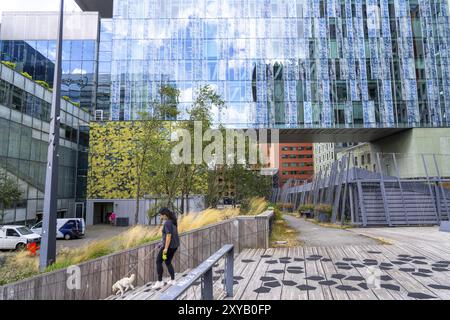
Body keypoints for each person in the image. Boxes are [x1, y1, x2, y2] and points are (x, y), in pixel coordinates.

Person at [152, 207, 180, 289]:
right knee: (167, 261)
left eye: (161, 215)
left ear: (165, 215)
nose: (160, 217)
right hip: (174, 246)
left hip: (168, 247)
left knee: (158, 261)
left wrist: (165, 248)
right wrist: (161, 243)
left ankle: (160, 282)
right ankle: (172, 280)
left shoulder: (167, 223)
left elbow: (168, 235)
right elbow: (168, 235)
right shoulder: (173, 221)